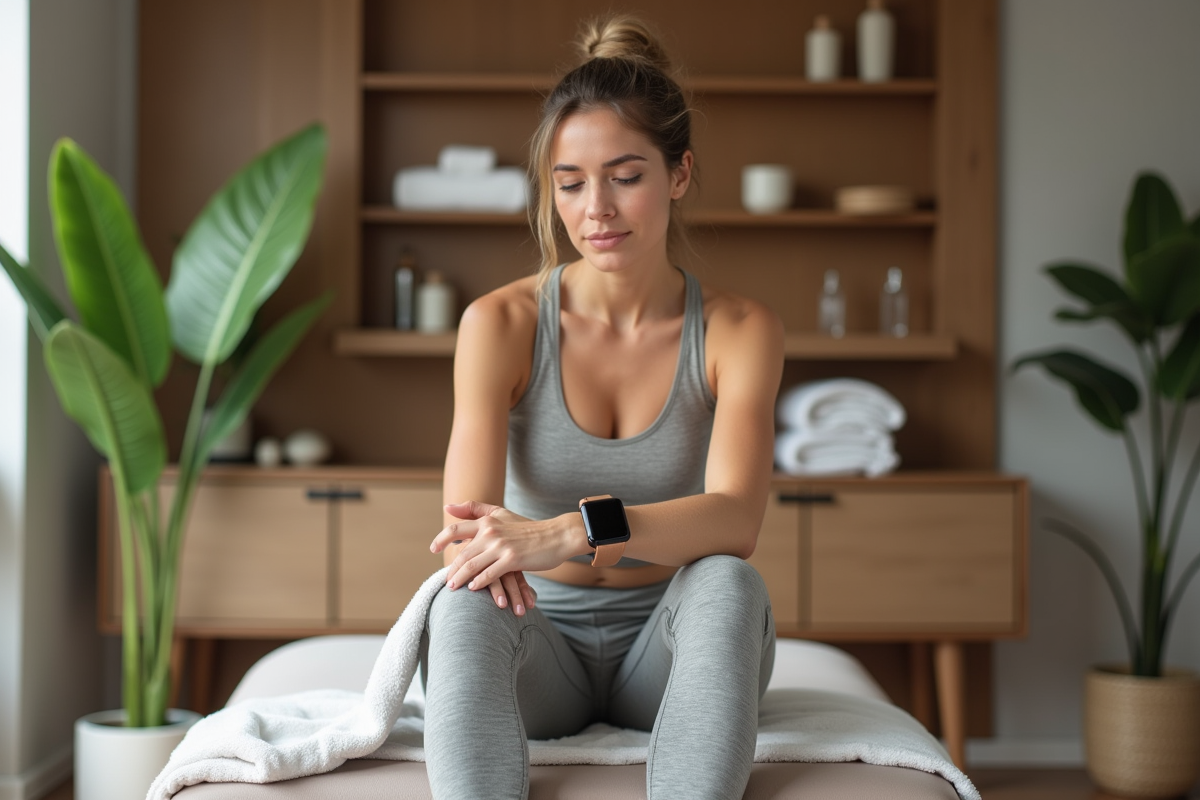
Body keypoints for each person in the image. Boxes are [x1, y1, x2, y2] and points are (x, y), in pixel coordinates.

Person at [422, 15, 784, 800]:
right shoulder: (500, 324)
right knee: (462, 597)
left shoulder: (739, 329)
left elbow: (735, 520)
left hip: (668, 650)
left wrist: (566, 532)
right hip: (538, 650)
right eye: (571, 182)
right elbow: (468, 536)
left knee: (730, 583)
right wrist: (511, 552)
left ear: (679, 174)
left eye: (625, 176)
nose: (597, 209)